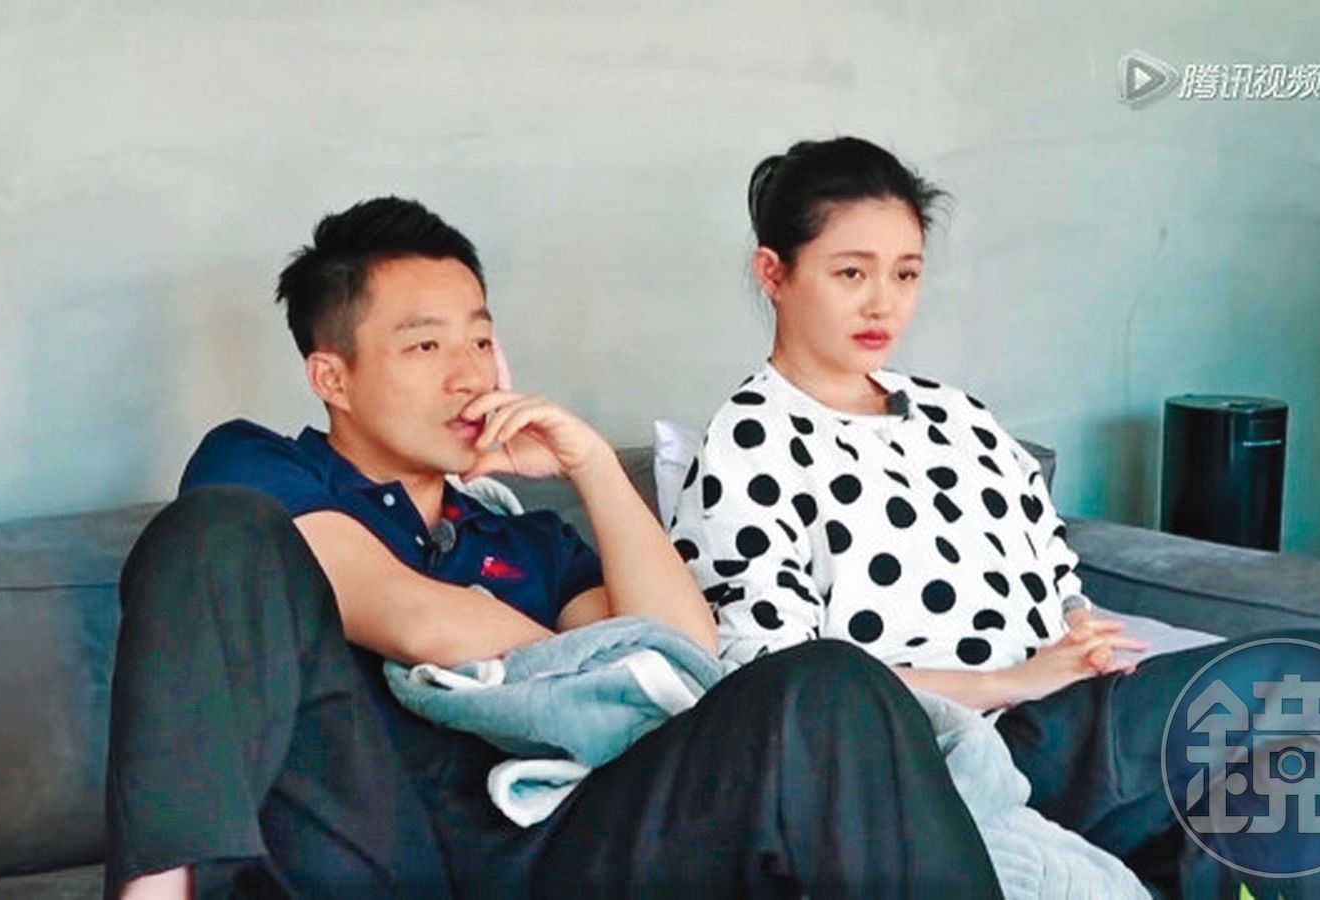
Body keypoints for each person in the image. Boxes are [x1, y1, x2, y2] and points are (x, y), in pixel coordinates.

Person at [105, 195, 1003, 898]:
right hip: (363, 836)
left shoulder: (522, 534)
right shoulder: (260, 468)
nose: (468, 373)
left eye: (481, 339)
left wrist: (591, 467)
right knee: (208, 529)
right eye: (425, 346)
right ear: (332, 377)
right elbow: (414, 620)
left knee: (829, 683)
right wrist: (580, 655)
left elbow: (683, 656)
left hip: (541, 850)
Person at [668, 135, 1320, 898]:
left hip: (1071, 716)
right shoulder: (750, 444)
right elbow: (786, 694)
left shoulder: (956, 415)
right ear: (774, 273)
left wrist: (1081, 630)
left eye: (905, 273)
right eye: (850, 273)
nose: (883, 302)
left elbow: (1053, 564)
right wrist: (1011, 681)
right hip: (961, 751)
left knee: (1303, 787)